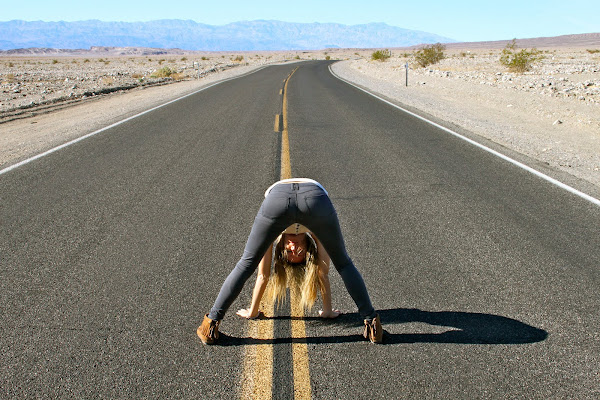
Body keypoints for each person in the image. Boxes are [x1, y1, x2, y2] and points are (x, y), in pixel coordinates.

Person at [197, 178, 383, 344]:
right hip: (315, 198)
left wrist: (253, 312)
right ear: (309, 247)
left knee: (245, 263)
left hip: (278, 201)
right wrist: (327, 311)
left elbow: (265, 274)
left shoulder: (275, 235)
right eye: (299, 251)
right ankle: (372, 323)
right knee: (344, 263)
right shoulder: (315, 234)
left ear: (281, 249)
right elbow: (319, 272)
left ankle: (210, 324)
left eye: (290, 252)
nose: (293, 247)